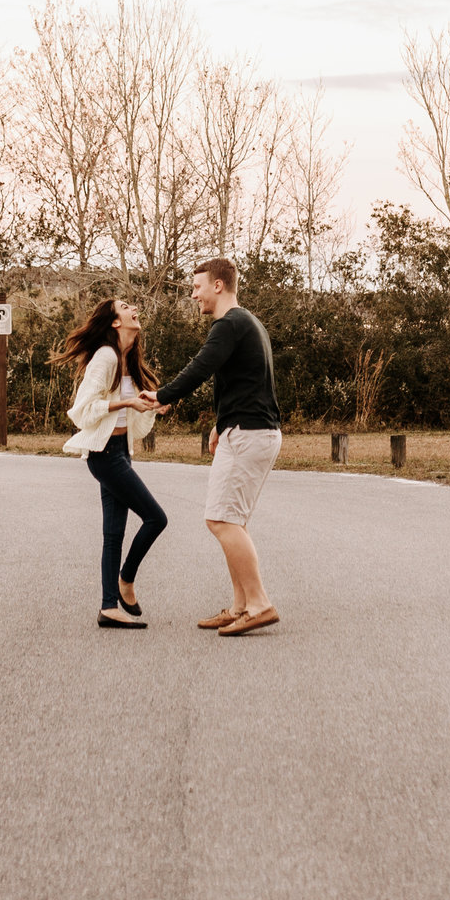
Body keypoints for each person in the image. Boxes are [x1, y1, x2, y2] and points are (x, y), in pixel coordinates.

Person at [143, 257, 281, 635]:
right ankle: (241, 606)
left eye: (197, 286)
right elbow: (237, 379)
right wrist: (221, 423)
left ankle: (259, 604)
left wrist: (162, 395)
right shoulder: (247, 322)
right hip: (249, 430)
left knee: (220, 520)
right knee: (231, 520)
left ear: (218, 285)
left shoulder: (229, 324)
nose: (193, 294)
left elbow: (202, 367)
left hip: (250, 434)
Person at [62, 297, 167, 629]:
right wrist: (127, 402)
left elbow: (129, 415)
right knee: (156, 518)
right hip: (105, 454)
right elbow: (82, 410)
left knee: (113, 535)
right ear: (115, 322)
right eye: (124, 306)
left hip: (118, 449)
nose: (133, 307)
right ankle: (125, 579)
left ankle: (109, 607)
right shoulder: (106, 357)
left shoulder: (126, 358)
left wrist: (150, 406)